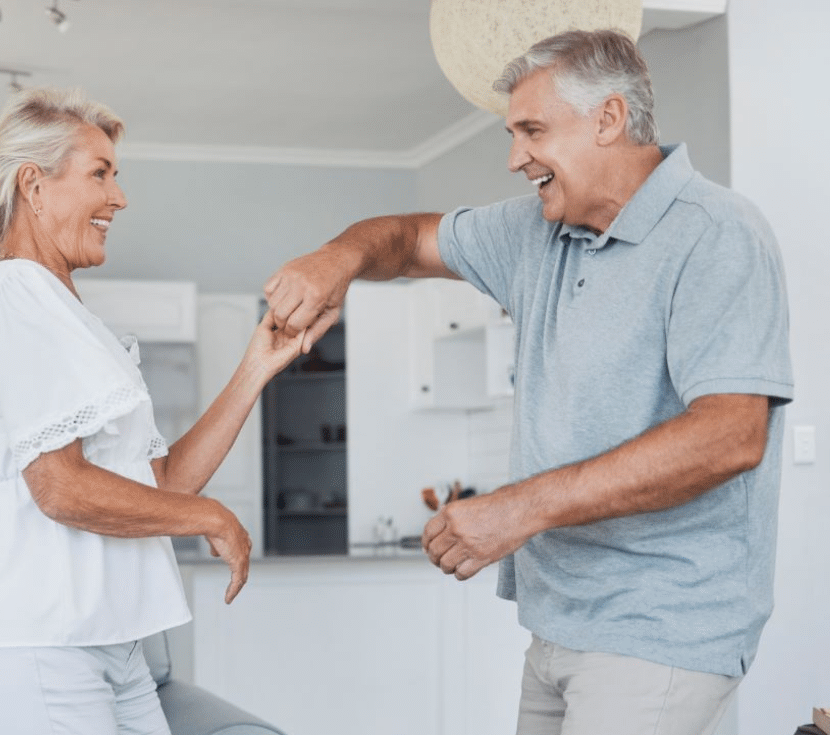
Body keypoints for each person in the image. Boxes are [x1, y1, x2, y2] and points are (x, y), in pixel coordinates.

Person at [264, 29, 791, 735]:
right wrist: (339, 257)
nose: (515, 158)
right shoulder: (535, 235)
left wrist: (519, 509)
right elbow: (409, 238)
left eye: (532, 130)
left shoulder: (716, 233)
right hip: (558, 623)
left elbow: (729, 435)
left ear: (608, 118)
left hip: (660, 624)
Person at [0, 87, 300, 735]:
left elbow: (161, 485)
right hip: (39, 638)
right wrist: (211, 517)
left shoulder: (65, 312)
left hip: (109, 642)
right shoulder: (13, 295)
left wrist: (257, 367)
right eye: (101, 173)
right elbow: (59, 487)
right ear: (34, 184)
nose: (119, 197)